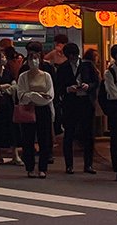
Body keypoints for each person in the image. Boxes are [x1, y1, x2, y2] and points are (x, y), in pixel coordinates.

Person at [55, 42, 100, 174]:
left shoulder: (87, 65)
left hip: (86, 102)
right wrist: (68, 89)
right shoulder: (63, 68)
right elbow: (58, 87)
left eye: (74, 55)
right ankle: (69, 165)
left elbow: (96, 82)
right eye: (70, 56)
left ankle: (89, 164)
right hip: (71, 103)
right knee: (69, 133)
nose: (73, 58)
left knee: (88, 134)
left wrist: (88, 86)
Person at [13, 46, 55, 177]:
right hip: (28, 110)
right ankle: (30, 167)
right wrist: (36, 95)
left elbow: (49, 95)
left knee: (44, 140)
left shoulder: (46, 76)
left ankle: (43, 168)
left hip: (43, 110)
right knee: (28, 140)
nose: (33, 61)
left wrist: (33, 96)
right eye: (31, 58)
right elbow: (21, 95)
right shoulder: (23, 76)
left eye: (36, 58)